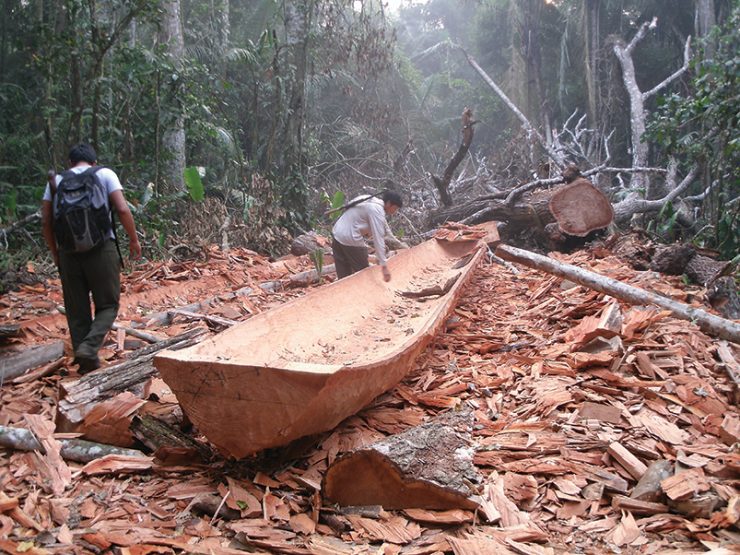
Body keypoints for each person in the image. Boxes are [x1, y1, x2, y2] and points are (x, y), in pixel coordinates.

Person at [41, 143, 141, 373]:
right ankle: (89, 347)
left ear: (70, 163)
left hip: (68, 253)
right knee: (108, 304)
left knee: (77, 311)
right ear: (94, 162)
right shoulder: (105, 174)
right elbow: (123, 209)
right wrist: (134, 240)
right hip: (101, 249)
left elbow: (46, 220)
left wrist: (56, 252)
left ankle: (85, 363)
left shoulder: (56, 180)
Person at [331, 190, 402, 282]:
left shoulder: (368, 199)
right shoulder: (377, 210)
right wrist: (383, 265)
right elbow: (378, 238)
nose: (394, 212)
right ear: (389, 203)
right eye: (395, 208)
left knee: (344, 277)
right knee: (364, 273)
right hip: (350, 238)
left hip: (337, 233)